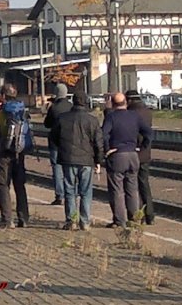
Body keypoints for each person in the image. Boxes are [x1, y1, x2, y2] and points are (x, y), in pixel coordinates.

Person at [50, 91, 103, 230]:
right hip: (87, 160)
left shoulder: (62, 118)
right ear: (86, 102)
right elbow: (98, 143)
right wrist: (98, 160)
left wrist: (63, 148)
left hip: (67, 159)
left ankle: (71, 220)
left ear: (73, 101)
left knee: (69, 190)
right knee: (86, 191)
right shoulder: (92, 120)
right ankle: (85, 221)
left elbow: (54, 137)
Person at [102, 92, 152, 227]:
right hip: (133, 155)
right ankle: (134, 219)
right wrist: (142, 147)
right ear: (126, 102)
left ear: (112, 103)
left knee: (117, 190)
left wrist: (107, 150)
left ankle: (119, 221)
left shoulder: (111, 117)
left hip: (117, 155)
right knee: (132, 189)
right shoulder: (134, 116)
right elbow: (148, 132)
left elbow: (104, 134)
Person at [0, 84, 31, 229]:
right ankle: (23, 218)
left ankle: (7, 219)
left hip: (4, 153)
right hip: (19, 153)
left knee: (3, 185)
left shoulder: (2, 112)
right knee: (20, 186)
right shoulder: (23, 111)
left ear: (3, 96)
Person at [125, 90, 155, 225]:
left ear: (129, 100)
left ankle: (139, 215)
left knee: (132, 186)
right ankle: (150, 215)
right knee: (144, 184)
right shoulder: (148, 112)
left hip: (132, 152)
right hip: (145, 153)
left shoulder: (130, 114)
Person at [43, 83, 73, 206]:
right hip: (69, 143)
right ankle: (70, 193)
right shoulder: (72, 107)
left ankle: (59, 195)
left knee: (57, 169)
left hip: (55, 143)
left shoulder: (54, 108)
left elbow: (47, 124)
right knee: (69, 169)